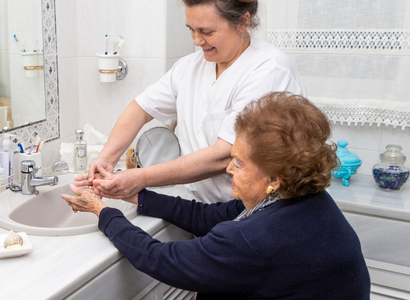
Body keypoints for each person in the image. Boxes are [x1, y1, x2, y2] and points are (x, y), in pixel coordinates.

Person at [62, 92, 370, 299]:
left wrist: (102, 212)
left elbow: (159, 259)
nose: (228, 170)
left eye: (238, 163)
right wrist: (135, 196)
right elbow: (207, 215)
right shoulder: (303, 199)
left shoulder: (255, 239)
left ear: (274, 177)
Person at [88, 0, 305, 203]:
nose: (196, 40)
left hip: (254, 212)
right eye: (191, 29)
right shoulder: (189, 66)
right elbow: (141, 108)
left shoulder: (269, 69)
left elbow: (224, 156)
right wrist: (106, 160)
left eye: (206, 31)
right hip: (204, 208)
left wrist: (140, 177)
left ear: (242, 22)